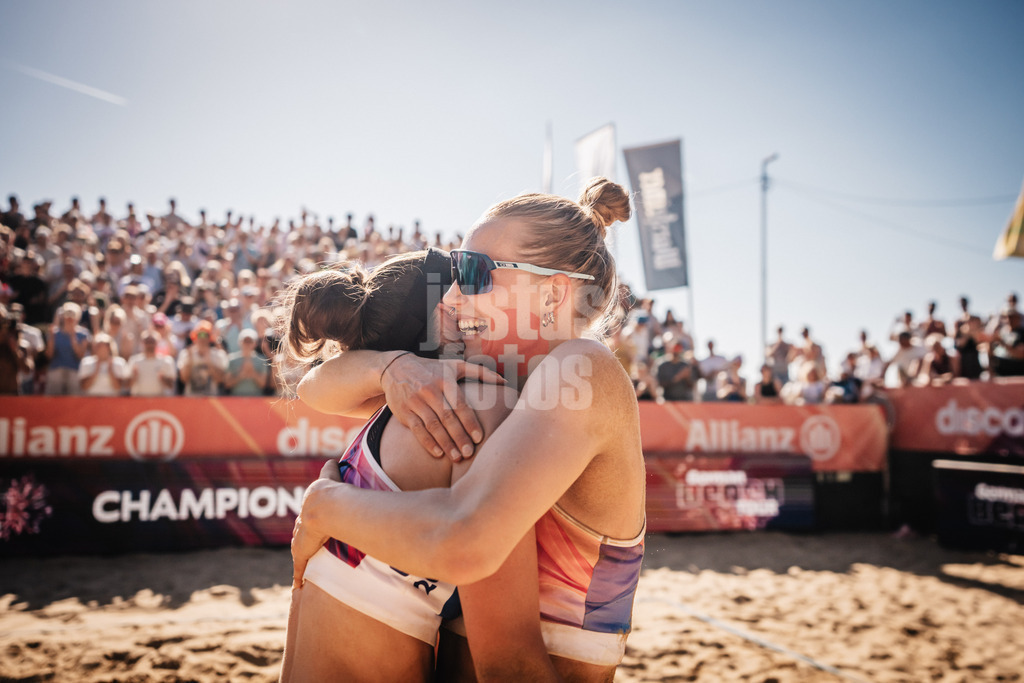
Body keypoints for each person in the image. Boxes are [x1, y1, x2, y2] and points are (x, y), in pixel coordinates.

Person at [290, 179, 646, 681]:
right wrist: (390, 367)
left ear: (553, 293)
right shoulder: (491, 387)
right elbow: (314, 387)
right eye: (455, 271)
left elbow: (466, 546)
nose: (453, 296)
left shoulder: (582, 369)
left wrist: (326, 506)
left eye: (476, 273)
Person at [126, 330, 177, 397]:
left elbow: (171, 386)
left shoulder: (166, 361)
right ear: (142, 343)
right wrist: (134, 376)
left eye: (152, 341)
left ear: (157, 343)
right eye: (147, 341)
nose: (150, 344)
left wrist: (164, 378)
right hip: (138, 399)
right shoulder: (134, 361)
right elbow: (126, 386)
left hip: (160, 399)